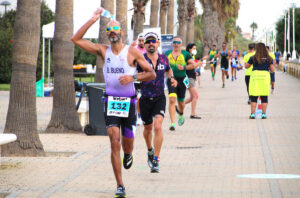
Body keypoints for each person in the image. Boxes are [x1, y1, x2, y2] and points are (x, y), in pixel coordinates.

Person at [71, 8, 156, 198]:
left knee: (128, 143)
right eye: (109, 30)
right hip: (110, 101)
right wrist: (92, 20)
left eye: (115, 29)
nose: (112, 32)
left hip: (129, 102)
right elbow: (76, 39)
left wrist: (133, 77)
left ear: (122, 33)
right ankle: (120, 185)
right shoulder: (103, 50)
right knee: (113, 141)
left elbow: (152, 73)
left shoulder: (132, 52)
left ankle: (128, 154)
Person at [137, 32, 177, 173]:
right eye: (148, 41)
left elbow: (169, 70)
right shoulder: (140, 60)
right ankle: (149, 150)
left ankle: (156, 160)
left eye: (153, 41)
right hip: (145, 99)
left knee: (158, 126)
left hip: (160, 97)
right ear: (145, 44)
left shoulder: (164, 58)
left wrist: (172, 78)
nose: (151, 43)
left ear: (158, 43)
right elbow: (135, 76)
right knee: (147, 129)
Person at [165, 36, 194, 131]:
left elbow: (192, 65)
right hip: (171, 79)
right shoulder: (167, 54)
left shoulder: (185, 54)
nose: (176, 44)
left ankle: (181, 114)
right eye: (174, 42)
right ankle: (173, 123)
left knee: (181, 102)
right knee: (172, 99)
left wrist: (184, 67)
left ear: (181, 44)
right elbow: (163, 66)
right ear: (172, 44)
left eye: (178, 42)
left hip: (182, 79)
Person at [245, 43, 274, 119]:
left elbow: (247, 66)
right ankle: (263, 114)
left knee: (254, 96)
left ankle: (252, 114)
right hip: (265, 77)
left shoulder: (253, 57)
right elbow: (272, 69)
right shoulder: (269, 58)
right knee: (264, 96)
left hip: (255, 77)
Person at [184, 43, 202, 119]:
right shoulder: (187, 56)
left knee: (192, 97)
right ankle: (193, 114)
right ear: (189, 49)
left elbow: (191, 67)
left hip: (191, 77)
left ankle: (179, 106)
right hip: (189, 78)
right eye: (194, 48)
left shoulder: (190, 56)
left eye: (195, 48)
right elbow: (192, 66)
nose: (195, 50)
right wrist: (199, 63)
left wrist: (194, 72)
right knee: (195, 95)